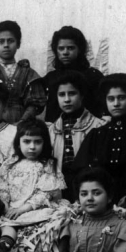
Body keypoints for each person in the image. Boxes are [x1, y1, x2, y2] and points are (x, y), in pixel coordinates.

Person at [0, 119, 66, 252]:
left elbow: (44, 194)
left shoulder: (47, 165)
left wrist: (23, 209)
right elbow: (3, 186)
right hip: (12, 206)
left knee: (9, 224)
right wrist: (4, 204)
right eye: (27, 141)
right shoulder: (11, 163)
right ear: (18, 142)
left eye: (37, 142)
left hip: (33, 208)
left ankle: (2, 247)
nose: (32, 147)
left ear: (45, 143)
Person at [74, 73, 126, 201]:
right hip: (100, 201)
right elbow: (81, 171)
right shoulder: (97, 134)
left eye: (121, 98)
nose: (116, 103)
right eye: (111, 99)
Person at [47, 70, 106, 202]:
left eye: (72, 93)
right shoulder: (52, 130)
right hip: (61, 187)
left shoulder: (98, 126)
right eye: (62, 95)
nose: (67, 99)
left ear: (82, 95)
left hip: (89, 185)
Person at [43, 26, 105, 122]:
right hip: (56, 132)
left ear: (79, 49)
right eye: (61, 48)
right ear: (56, 50)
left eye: (70, 48)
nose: (65, 52)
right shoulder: (50, 78)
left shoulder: (94, 76)